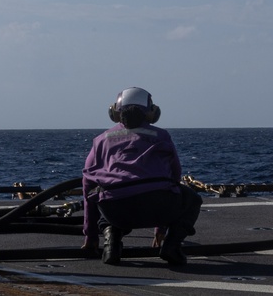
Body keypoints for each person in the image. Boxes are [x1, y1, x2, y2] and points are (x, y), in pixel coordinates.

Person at [81, 87, 203, 266]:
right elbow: (174, 178)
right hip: (159, 206)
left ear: (114, 112)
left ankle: (111, 244)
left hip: (116, 212)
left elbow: (87, 185)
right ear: (152, 113)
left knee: (104, 196)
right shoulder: (162, 136)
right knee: (192, 199)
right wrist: (161, 227)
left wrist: (90, 236)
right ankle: (172, 245)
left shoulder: (101, 140)